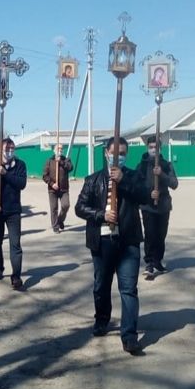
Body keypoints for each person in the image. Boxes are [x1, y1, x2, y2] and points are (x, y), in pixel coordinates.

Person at [75, 136, 157, 355]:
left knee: (128, 289)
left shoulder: (134, 176)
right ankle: (102, 319)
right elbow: (80, 207)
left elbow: (145, 196)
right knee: (101, 286)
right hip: (102, 243)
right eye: (114, 153)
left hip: (128, 241)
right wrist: (100, 214)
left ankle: (129, 336)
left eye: (122, 154)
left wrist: (124, 181)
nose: (118, 157)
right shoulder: (93, 180)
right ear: (106, 153)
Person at [0, 138, 27, 289]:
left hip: (13, 211)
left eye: (12, 148)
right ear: (0, 150)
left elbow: (21, 184)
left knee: (15, 244)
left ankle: (16, 276)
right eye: (7, 149)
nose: (10, 151)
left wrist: (5, 174)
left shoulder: (20, 165)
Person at [136, 136, 178, 278]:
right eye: (151, 147)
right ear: (147, 148)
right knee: (150, 234)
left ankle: (158, 261)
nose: (153, 150)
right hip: (148, 206)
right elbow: (136, 186)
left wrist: (162, 174)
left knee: (161, 235)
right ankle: (149, 263)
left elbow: (174, 184)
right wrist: (149, 193)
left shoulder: (166, 165)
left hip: (163, 207)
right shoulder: (141, 166)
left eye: (156, 147)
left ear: (160, 149)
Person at [42, 144, 73, 233]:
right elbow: (45, 176)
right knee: (54, 208)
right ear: (54, 150)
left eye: (61, 149)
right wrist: (52, 184)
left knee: (66, 205)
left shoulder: (66, 160)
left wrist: (61, 162)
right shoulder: (49, 161)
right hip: (53, 190)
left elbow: (70, 168)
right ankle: (55, 227)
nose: (60, 150)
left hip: (64, 189)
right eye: (58, 149)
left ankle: (60, 220)